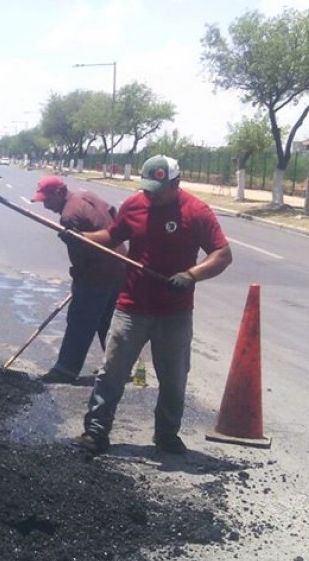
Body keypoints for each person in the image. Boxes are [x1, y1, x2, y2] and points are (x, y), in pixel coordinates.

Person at [69, 155, 233, 455]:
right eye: (147, 188)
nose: (150, 195)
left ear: (176, 184)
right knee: (112, 372)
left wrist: (191, 275)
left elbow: (222, 254)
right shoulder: (135, 205)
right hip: (131, 305)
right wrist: (81, 238)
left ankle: (167, 435)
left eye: (157, 190)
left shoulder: (196, 211)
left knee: (174, 377)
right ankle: (96, 431)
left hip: (175, 312)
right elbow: (113, 235)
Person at [32, 176, 126, 386]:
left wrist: (79, 281)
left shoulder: (69, 216)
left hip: (97, 273)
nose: (46, 205)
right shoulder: (87, 196)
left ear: (59, 193)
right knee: (106, 322)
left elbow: (80, 256)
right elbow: (114, 216)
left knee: (80, 321)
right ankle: (120, 367)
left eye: (47, 200)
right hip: (120, 266)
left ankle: (66, 369)